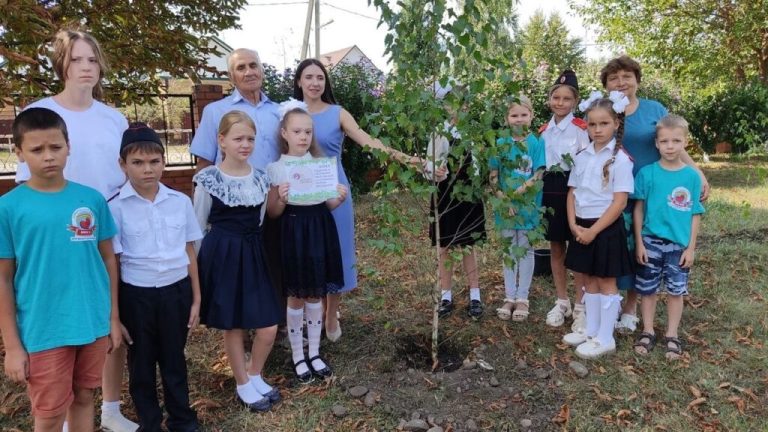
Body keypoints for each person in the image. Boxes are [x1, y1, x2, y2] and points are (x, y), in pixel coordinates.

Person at [15, 30, 135, 432]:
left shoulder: (113, 118)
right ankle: (64, 414)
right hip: (57, 238)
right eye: (77, 59)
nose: (86, 67)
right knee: (63, 321)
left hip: (103, 229)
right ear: (62, 64)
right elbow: (26, 189)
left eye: (92, 60)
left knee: (108, 321)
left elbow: (126, 173)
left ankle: (112, 408)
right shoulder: (40, 112)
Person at [0, 107, 121, 432]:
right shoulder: (8, 208)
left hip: (92, 322)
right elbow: (3, 278)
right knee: (51, 413)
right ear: (19, 152)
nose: (48, 156)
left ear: (68, 145)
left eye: (56, 147)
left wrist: (112, 318)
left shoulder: (91, 200)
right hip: (44, 329)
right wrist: (12, 346)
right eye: (37, 150)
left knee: (83, 397)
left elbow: (108, 259)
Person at [292, 58, 419, 340]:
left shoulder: (337, 112)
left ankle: (330, 314)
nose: (315, 83)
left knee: (337, 251)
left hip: (334, 189)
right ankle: (309, 310)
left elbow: (367, 141)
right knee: (308, 252)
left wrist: (410, 161)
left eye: (320, 78)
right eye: (309, 77)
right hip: (300, 193)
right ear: (299, 81)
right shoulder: (287, 112)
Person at [599, 56, 709, 334]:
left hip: (650, 193)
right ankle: (609, 303)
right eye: (614, 78)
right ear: (605, 84)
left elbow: (673, 140)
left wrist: (698, 173)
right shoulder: (602, 112)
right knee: (615, 248)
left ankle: (630, 307)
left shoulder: (653, 109)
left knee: (642, 249)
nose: (621, 82)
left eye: (627, 76)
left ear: (637, 79)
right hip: (611, 192)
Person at [110, 124, 202, 431]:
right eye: (137, 163)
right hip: (137, 296)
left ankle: (182, 419)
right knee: (142, 364)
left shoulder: (180, 202)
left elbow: (189, 251)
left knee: (174, 359)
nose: (147, 170)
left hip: (176, 292)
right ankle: (149, 422)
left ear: (164, 161)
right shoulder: (115, 208)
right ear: (122, 165)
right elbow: (115, 263)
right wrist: (116, 314)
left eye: (154, 161)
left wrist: (196, 297)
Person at [193, 111, 280, 412]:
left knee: (268, 325)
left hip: (253, 250)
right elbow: (198, 224)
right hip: (223, 253)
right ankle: (242, 382)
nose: (245, 144)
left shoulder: (260, 177)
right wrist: (203, 268)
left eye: (250, 139)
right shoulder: (209, 179)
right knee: (234, 324)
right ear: (222, 140)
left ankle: (255, 373)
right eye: (238, 138)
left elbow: (258, 220)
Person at [266, 100, 348, 383]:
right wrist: (280, 197)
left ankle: (314, 352)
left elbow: (329, 204)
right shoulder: (277, 168)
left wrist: (340, 196)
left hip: (319, 229)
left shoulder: (320, 165)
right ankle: (298, 355)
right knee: (296, 294)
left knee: (316, 293)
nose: (303, 137)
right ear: (284, 133)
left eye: (308, 132)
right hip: (293, 232)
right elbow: (273, 212)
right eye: (297, 131)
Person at [561, 93, 635, 359]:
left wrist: (594, 231)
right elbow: (572, 193)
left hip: (605, 227)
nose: (597, 130)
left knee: (605, 281)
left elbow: (619, 202)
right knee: (588, 279)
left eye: (603, 124)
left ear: (616, 123)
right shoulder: (581, 156)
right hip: (581, 226)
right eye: (592, 125)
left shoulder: (621, 159)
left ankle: (606, 337)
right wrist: (573, 224)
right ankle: (590, 330)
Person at [632, 115, 703, 360]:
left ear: (685, 143)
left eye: (676, 141)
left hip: (679, 245)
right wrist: (639, 241)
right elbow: (638, 209)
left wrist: (690, 248)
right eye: (665, 141)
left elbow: (695, 214)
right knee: (648, 290)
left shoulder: (692, 177)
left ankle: (672, 334)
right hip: (650, 241)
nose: (670, 146)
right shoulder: (646, 173)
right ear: (656, 144)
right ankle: (648, 330)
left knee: (676, 291)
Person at [423, 81, 487, 320]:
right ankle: (446, 295)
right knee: (446, 246)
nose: (457, 110)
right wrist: (433, 171)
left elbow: (482, 165)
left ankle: (475, 295)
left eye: (462, 105)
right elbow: (428, 164)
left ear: (468, 106)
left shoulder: (475, 133)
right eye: (452, 105)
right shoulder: (438, 133)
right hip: (445, 195)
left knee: (468, 244)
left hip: (469, 195)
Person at [539, 70, 590, 331]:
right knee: (556, 247)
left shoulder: (582, 129)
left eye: (566, 98)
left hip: (575, 191)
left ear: (575, 102)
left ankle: (581, 306)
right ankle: (562, 301)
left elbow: (586, 163)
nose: (560, 103)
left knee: (578, 249)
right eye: (555, 97)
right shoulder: (543, 131)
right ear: (549, 99)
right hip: (549, 191)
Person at [489, 96, 545, 322]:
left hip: (528, 207)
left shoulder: (536, 143)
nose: (519, 119)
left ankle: (523, 297)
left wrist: (518, 193)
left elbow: (539, 174)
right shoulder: (500, 143)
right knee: (509, 251)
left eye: (523, 114)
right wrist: (503, 199)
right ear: (506, 118)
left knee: (525, 250)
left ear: (531, 116)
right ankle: (509, 296)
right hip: (506, 208)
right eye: (514, 115)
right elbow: (493, 176)